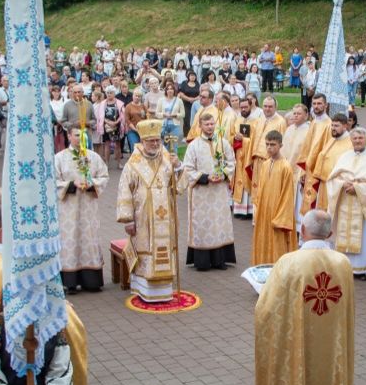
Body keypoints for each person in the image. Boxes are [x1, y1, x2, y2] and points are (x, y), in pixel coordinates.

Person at [254, 209, 354, 385]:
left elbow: (267, 310)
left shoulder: (289, 263)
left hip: (297, 352)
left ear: (302, 230)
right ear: (330, 234)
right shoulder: (343, 264)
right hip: (331, 355)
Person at [116, 120, 183, 302]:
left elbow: (178, 187)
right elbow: (124, 190)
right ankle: (143, 288)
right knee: (144, 248)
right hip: (143, 217)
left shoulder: (167, 157)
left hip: (165, 215)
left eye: (157, 140)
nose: (155, 144)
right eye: (151, 141)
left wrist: (178, 167)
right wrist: (128, 220)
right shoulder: (133, 163)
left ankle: (165, 289)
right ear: (143, 141)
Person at [55, 127, 109, 293]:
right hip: (68, 209)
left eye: (83, 135)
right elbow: (52, 180)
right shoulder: (59, 158)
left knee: (88, 238)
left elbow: (104, 176)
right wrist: (71, 184)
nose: (80, 138)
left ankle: (91, 281)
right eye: (77, 135)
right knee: (70, 240)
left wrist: (92, 183)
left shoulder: (93, 157)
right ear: (69, 136)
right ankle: (70, 282)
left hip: (88, 207)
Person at [182, 112, 236, 271]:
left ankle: (220, 260)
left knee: (219, 224)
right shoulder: (194, 146)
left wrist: (224, 173)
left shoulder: (223, 143)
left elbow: (231, 162)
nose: (210, 127)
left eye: (212, 124)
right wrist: (206, 177)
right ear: (200, 126)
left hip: (219, 192)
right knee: (204, 226)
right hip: (201, 193)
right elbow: (187, 168)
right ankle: (203, 262)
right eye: (207, 124)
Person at [326, 127, 366, 277]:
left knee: (363, 237)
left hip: (363, 204)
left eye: (360, 138)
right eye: (355, 138)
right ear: (351, 140)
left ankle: (363, 268)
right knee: (343, 233)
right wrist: (342, 185)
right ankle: (344, 266)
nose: (357, 141)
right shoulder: (344, 156)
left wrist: (357, 188)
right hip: (344, 199)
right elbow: (333, 178)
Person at [249, 130, 297, 265]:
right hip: (264, 213)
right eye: (267, 144)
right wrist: (257, 208)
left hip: (277, 215)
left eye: (273, 145)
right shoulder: (265, 164)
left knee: (277, 244)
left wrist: (280, 218)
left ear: (281, 145)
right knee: (263, 241)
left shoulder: (285, 167)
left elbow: (287, 195)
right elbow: (260, 190)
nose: (269, 148)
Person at [302, 112, 351, 211]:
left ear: (345, 126)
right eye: (332, 125)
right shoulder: (333, 139)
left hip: (336, 187)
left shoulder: (349, 144)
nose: (333, 128)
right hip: (324, 184)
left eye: (336, 126)